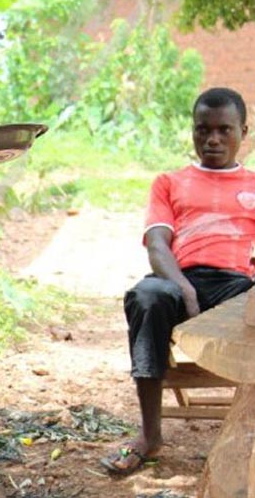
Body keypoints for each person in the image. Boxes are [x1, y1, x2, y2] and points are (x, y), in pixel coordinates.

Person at [102, 86, 255, 477]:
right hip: (177, 280)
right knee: (147, 295)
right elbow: (157, 244)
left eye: (225, 129)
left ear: (244, 132)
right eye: (203, 129)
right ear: (192, 131)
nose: (213, 139)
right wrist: (184, 288)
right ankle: (150, 436)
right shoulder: (170, 182)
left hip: (237, 285)